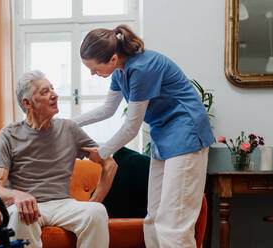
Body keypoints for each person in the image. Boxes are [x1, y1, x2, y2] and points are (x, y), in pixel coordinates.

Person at [72, 24, 214, 248]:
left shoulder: (142, 68)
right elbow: (107, 110)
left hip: (186, 135)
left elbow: (131, 127)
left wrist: (103, 152)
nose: (92, 73)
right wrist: (68, 123)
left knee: (174, 222)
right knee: (154, 219)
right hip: (163, 136)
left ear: (112, 58)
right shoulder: (119, 70)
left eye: (94, 68)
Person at [0, 70, 118, 248]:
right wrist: (16, 195)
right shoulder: (9, 135)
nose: (54, 95)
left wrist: (94, 201)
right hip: (25, 206)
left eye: (52, 89)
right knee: (21, 215)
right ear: (27, 103)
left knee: (96, 212)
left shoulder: (69, 129)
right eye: (45, 92)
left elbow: (110, 164)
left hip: (63, 204)